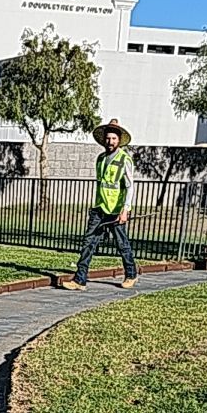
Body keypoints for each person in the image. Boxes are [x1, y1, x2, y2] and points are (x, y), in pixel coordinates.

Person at [60, 118, 138, 291]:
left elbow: (130, 186)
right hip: (99, 208)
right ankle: (80, 280)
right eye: (108, 138)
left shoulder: (124, 159)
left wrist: (125, 209)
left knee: (122, 244)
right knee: (89, 243)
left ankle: (131, 274)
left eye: (114, 139)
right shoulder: (101, 159)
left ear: (119, 140)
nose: (110, 141)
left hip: (116, 210)